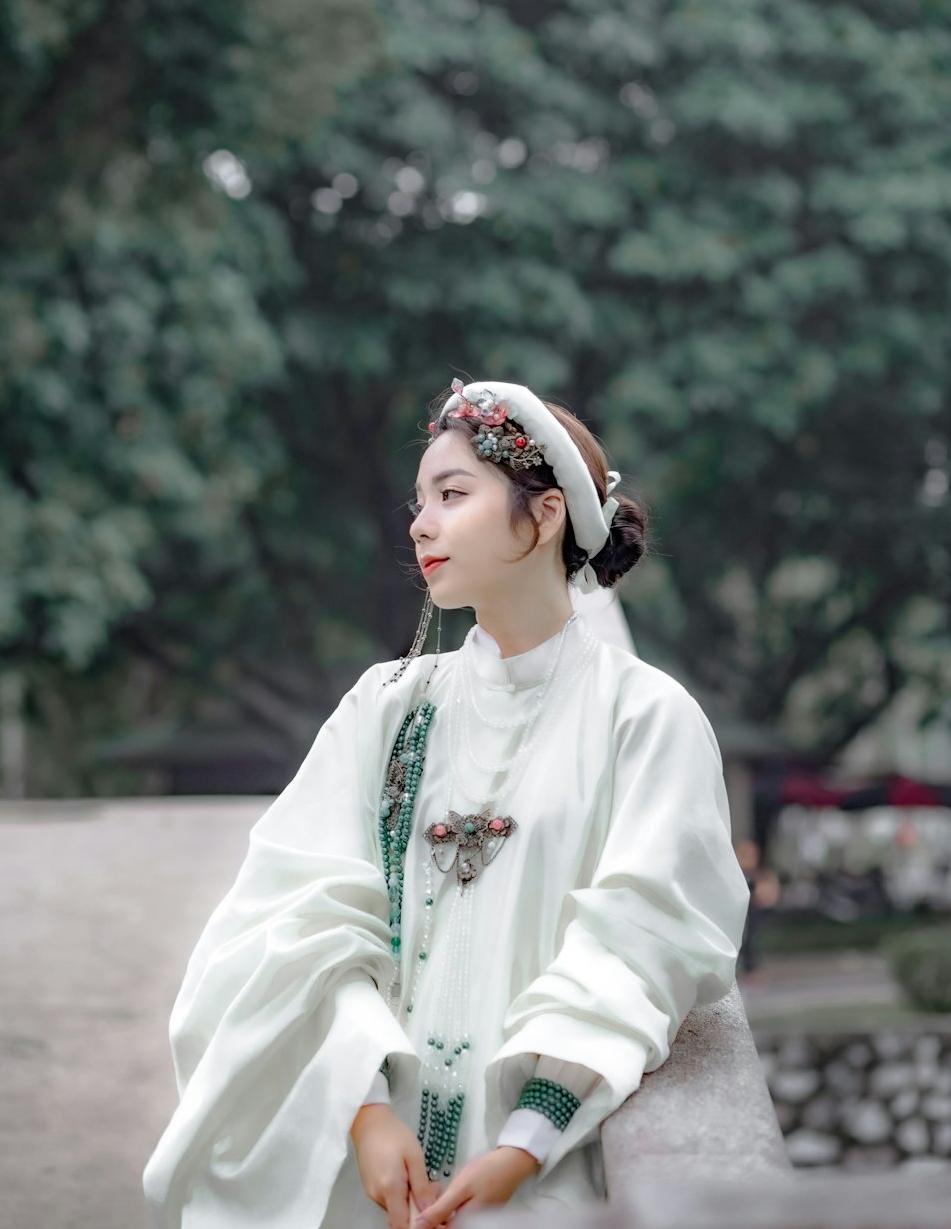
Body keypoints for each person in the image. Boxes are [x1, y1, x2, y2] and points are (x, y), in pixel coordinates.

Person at [143, 378, 750, 1228]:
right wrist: (363, 1110)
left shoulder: (645, 718)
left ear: (542, 518)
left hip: (541, 1174)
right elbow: (289, 915)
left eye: (452, 496)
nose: (420, 523)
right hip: (376, 1171)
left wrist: (525, 1141)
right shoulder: (385, 707)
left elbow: (648, 939)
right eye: (419, 500)